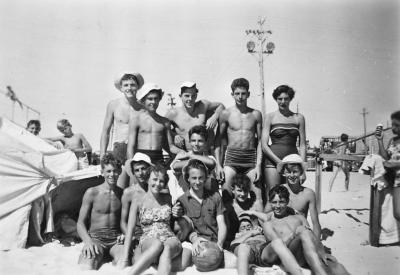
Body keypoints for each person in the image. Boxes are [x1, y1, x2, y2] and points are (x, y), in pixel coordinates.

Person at [245, 186, 349, 275]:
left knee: (337, 266)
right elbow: (278, 246)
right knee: (303, 232)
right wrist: (294, 234)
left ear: (287, 202)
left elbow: (311, 238)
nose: (277, 206)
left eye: (281, 202)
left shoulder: (299, 218)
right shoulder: (269, 224)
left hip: (303, 255)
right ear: (270, 203)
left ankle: (319, 267)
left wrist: (322, 251)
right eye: (274, 202)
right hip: (284, 258)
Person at [118, 165, 182, 275]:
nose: (158, 184)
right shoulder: (137, 201)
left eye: (161, 181)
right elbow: (130, 229)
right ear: (148, 179)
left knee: (166, 249)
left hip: (169, 237)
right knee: (157, 244)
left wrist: (177, 212)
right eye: (155, 179)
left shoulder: (168, 198)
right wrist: (124, 258)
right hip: (149, 238)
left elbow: (176, 214)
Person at [174, 159, 236, 272]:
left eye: (201, 177)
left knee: (234, 263)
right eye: (194, 178)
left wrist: (219, 244)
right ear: (187, 178)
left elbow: (221, 224)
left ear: (206, 177)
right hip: (194, 243)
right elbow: (183, 228)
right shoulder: (182, 201)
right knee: (182, 265)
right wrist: (195, 240)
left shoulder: (215, 196)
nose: (197, 182)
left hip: (214, 242)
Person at [215, 78, 263, 207]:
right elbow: (218, 141)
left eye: (243, 93)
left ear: (248, 94)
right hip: (232, 159)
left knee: (257, 196)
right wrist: (218, 165)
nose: (240, 97)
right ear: (232, 94)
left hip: (251, 160)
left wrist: (258, 165)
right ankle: (229, 226)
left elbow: (260, 142)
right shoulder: (226, 114)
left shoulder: (256, 114)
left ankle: (260, 226)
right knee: (226, 194)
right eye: (237, 93)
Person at [77, 153, 124, 270]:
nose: (112, 174)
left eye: (115, 171)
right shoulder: (92, 192)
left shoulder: (123, 194)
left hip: (116, 241)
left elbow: (127, 221)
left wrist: (125, 235)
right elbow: (80, 223)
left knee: (124, 264)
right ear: (102, 172)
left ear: (120, 172)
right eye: (108, 171)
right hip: (96, 239)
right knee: (86, 266)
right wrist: (87, 241)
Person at [261, 85, 306, 193]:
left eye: (286, 99)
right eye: (280, 99)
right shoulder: (270, 117)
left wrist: (303, 169)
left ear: (290, 99)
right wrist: (279, 163)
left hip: (293, 161)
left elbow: (303, 145)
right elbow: (264, 145)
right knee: (273, 194)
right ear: (276, 99)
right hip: (273, 161)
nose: (283, 101)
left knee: (291, 194)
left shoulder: (298, 118)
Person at [265, 154, 321, 238]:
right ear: (284, 172)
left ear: (301, 172)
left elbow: (315, 223)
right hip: (279, 234)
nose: (291, 175)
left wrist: (317, 243)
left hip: (298, 235)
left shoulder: (308, 194)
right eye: (288, 172)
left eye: (295, 171)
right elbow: (265, 214)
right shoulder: (278, 190)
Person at [127, 83, 184, 164]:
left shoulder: (165, 122)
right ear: (143, 100)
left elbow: (171, 147)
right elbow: (130, 147)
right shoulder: (136, 120)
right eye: (150, 99)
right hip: (141, 158)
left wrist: (183, 152)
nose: (153, 102)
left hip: (158, 159)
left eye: (156, 99)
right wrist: (130, 165)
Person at [165, 81, 224, 152]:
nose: (190, 99)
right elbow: (162, 127)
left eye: (193, 96)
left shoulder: (202, 105)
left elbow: (220, 106)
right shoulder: (173, 113)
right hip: (185, 154)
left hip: (204, 154)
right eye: (187, 96)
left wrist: (214, 117)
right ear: (180, 96)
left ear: (196, 96)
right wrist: (174, 135)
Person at [100, 73, 144, 163]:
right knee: (119, 176)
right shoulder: (113, 105)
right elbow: (105, 132)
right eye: (126, 85)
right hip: (119, 148)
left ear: (137, 87)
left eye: (132, 85)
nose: (129, 88)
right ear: (121, 88)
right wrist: (102, 155)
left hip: (138, 149)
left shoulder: (143, 107)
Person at [171, 125, 218, 193]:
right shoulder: (182, 155)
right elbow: (175, 166)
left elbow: (211, 163)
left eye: (200, 141)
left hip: (204, 199)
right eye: (193, 140)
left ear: (205, 143)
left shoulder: (209, 158)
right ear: (189, 141)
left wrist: (191, 156)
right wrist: (191, 156)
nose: (196, 144)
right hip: (185, 198)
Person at [375, 110, 400, 222]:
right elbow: (385, 156)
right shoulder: (393, 141)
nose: (393, 128)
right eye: (392, 124)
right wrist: (380, 141)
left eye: (397, 125)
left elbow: (391, 162)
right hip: (397, 180)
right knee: (397, 213)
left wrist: (392, 164)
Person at [119, 153, 152, 235]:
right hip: (137, 234)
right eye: (137, 170)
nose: (140, 173)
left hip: (155, 231)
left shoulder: (156, 190)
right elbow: (123, 223)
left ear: (149, 169)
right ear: (133, 173)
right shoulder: (129, 193)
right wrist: (130, 238)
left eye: (143, 169)